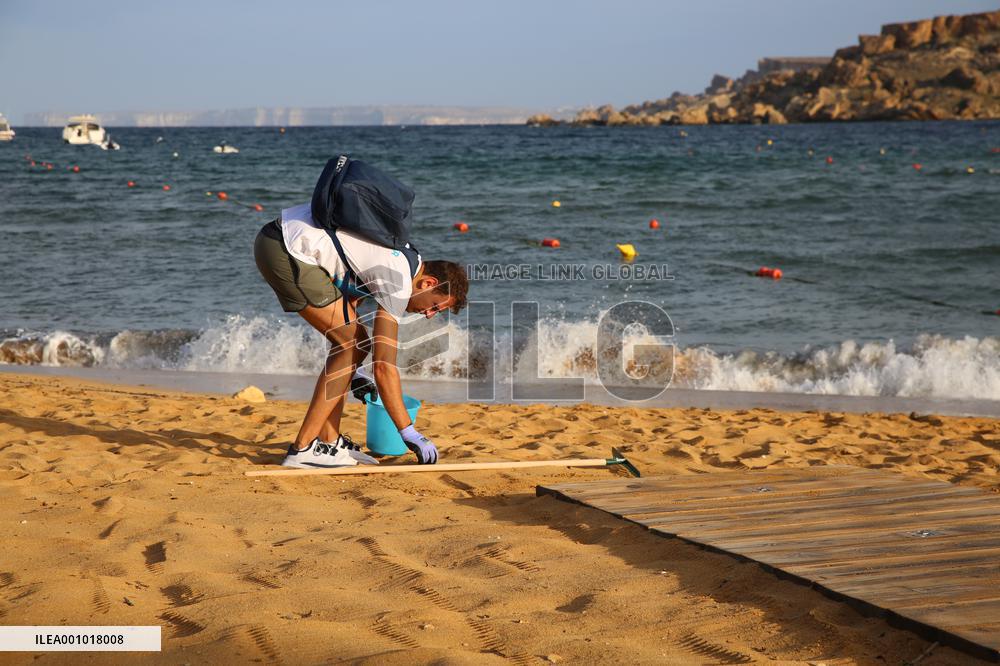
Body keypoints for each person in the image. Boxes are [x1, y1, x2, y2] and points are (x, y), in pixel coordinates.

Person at [253, 200, 468, 469]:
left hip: (279, 238)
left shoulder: (407, 257)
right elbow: (384, 368)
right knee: (352, 344)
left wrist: (353, 371)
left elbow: (349, 300)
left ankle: (328, 441)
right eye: (435, 306)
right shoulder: (399, 282)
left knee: (351, 346)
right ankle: (303, 448)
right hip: (285, 249)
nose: (429, 314)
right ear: (428, 283)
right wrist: (408, 432)